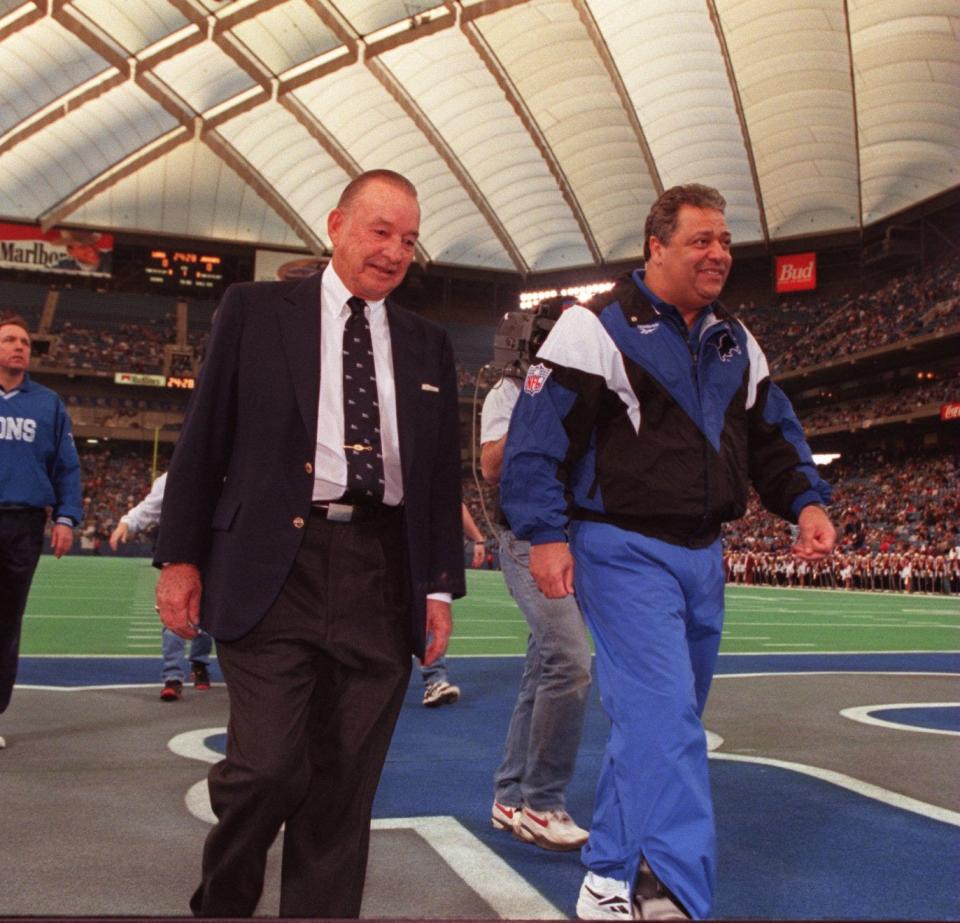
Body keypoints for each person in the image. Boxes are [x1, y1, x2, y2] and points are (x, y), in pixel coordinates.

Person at [500, 185, 836, 920]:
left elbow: (775, 439)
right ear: (656, 245)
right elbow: (536, 441)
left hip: (702, 555)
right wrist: (547, 534)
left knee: (657, 725)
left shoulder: (736, 342)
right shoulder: (592, 330)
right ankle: (674, 889)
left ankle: (607, 874)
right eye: (701, 240)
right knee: (667, 718)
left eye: (724, 240)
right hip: (620, 548)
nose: (718, 253)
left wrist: (808, 501)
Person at [153, 169, 464, 919]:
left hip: (381, 573)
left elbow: (433, 479)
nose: (394, 252)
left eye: (409, 239)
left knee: (343, 788)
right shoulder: (255, 311)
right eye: (380, 230)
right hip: (271, 565)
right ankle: (224, 901)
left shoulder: (429, 344)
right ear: (336, 224)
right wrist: (180, 556)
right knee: (263, 769)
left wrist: (437, 588)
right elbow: (203, 440)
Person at [481, 369, 592, 851]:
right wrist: (536, 409)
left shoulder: (587, 386)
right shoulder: (509, 390)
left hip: (576, 536)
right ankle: (542, 803)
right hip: (528, 538)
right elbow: (490, 466)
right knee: (569, 662)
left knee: (543, 666)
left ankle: (510, 794)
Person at [0, 313, 83, 751]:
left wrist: (66, 518)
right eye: (10, 339)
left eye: (25, 342)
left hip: (23, 523)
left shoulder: (47, 403)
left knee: (6, 622)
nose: (19, 347)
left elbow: (66, 466)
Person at [109, 472, 213, 701]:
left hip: (215, 552)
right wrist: (127, 522)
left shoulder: (229, 469)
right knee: (174, 615)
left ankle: (199, 663)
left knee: (207, 616)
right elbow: (151, 507)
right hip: (180, 551)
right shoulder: (173, 476)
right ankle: (172, 676)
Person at [419, 502, 485, 708]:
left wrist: (479, 539)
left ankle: (435, 679)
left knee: (431, 612)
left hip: (426, 544)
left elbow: (454, 501)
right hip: (380, 533)